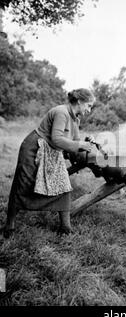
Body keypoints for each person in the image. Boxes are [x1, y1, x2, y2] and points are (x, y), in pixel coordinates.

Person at [0, 88, 96, 238]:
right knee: (23, 185)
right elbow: (57, 139)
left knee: (63, 185)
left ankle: (65, 228)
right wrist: (80, 146)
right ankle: (9, 225)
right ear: (79, 102)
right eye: (89, 105)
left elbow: (74, 142)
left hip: (51, 152)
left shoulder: (75, 119)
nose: (89, 110)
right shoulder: (61, 112)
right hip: (34, 149)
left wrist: (85, 142)